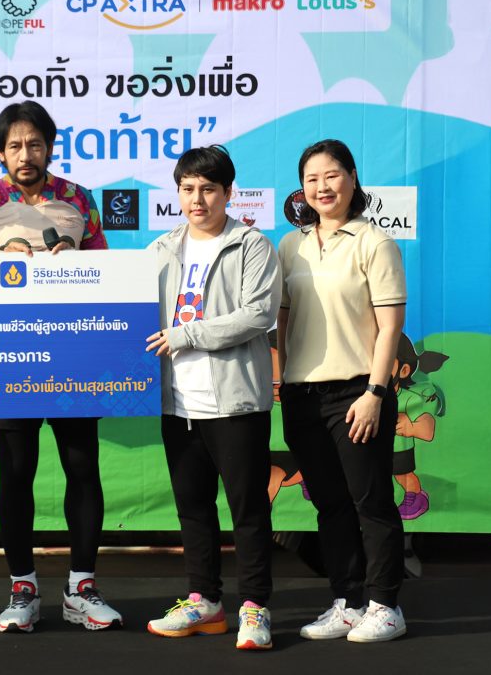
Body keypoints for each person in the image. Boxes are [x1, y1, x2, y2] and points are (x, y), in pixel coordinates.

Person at [0, 100, 121, 633]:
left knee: (83, 468)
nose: (25, 154)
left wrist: (76, 261)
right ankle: (22, 588)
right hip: (8, 357)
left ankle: (81, 588)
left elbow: (106, 271)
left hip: (74, 355)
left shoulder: (79, 199)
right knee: (16, 472)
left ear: (49, 147)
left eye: (35, 144)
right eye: (14, 146)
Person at [144, 146, 282, 650]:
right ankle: (204, 602)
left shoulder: (251, 245)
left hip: (235, 403)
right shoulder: (160, 249)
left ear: (227, 192)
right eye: (187, 189)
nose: (197, 199)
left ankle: (255, 608)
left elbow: (258, 314)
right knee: (193, 509)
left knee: (249, 510)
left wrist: (187, 334)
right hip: (177, 404)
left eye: (207, 189)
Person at [276, 138, 407, 643]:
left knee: (370, 502)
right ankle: (348, 601)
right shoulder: (291, 246)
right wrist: (282, 380)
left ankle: (386, 605)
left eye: (332, 175)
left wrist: (375, 392)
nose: (322, 187)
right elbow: (283, 321)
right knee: (329, 505)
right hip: (302, 396)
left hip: (358, 393)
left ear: (352, 178)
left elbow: (390, 327)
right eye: (311, 179)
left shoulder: (374, 242)